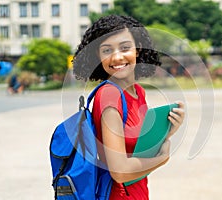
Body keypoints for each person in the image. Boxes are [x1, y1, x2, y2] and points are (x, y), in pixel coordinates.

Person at [73, 15, 185, 200]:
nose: (117, 57)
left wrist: (168, 131)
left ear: (138, 49)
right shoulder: (110, 95)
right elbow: (119, 171)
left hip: (138, 193)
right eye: (107, 50)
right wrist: (162, 159)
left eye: (125, 48)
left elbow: (136, 147)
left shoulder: (138, 92)